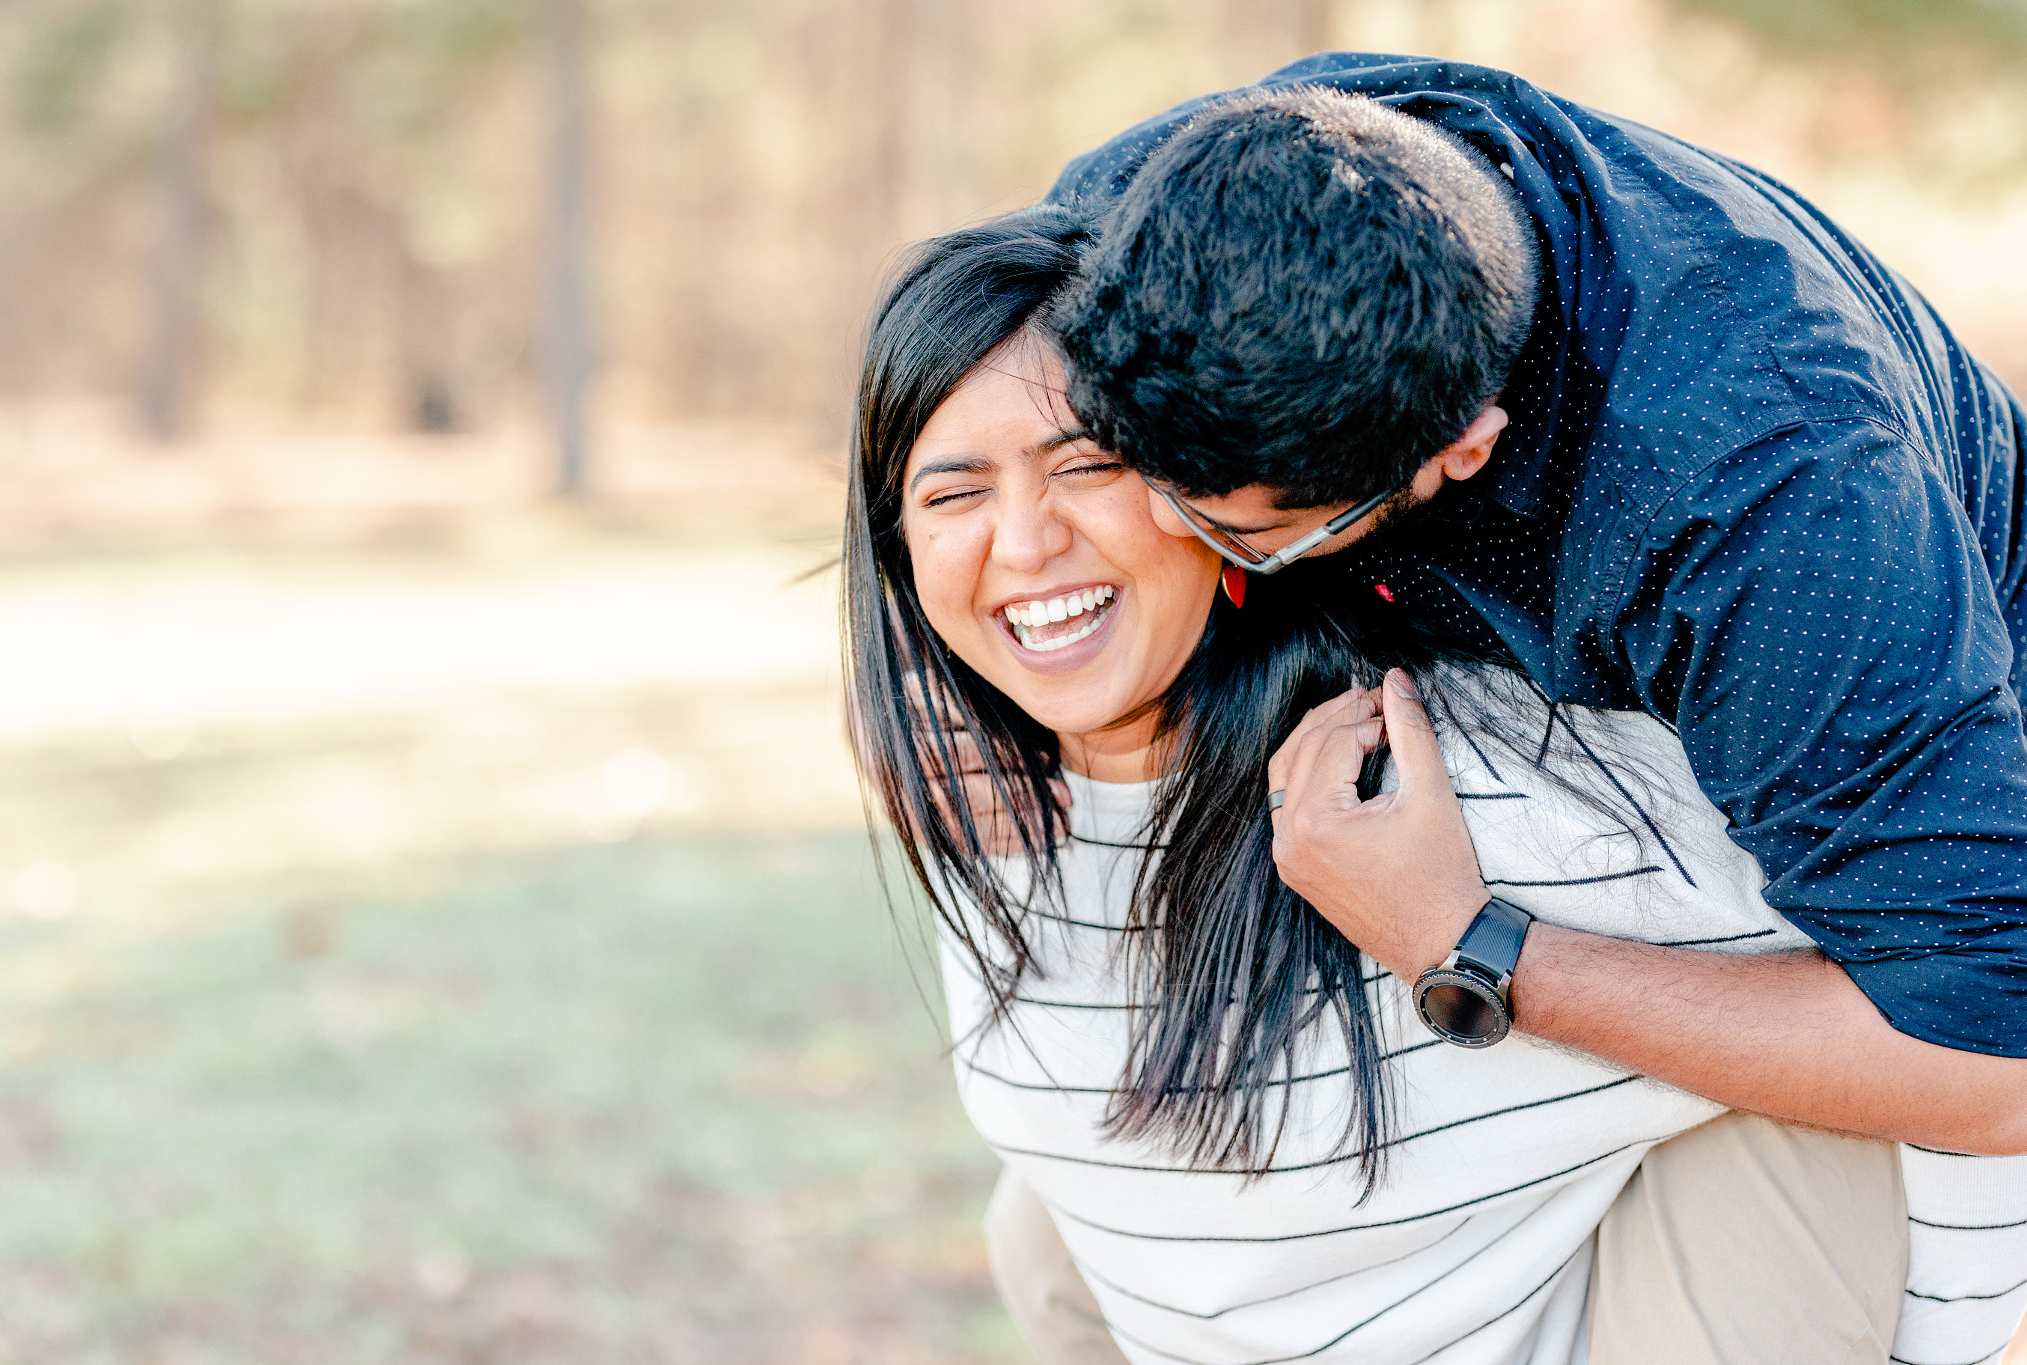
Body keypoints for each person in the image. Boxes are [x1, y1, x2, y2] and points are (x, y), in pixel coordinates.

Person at [843, 206, 2027, 1365]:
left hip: (1630, 1312)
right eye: (952, 495)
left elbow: (1972, 1037)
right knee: (1038, 1224)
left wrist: (1468, 940)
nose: (1025, 539)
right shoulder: (980, 797)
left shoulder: (1458, 792)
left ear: (1204, 480)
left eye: (1089, 465)